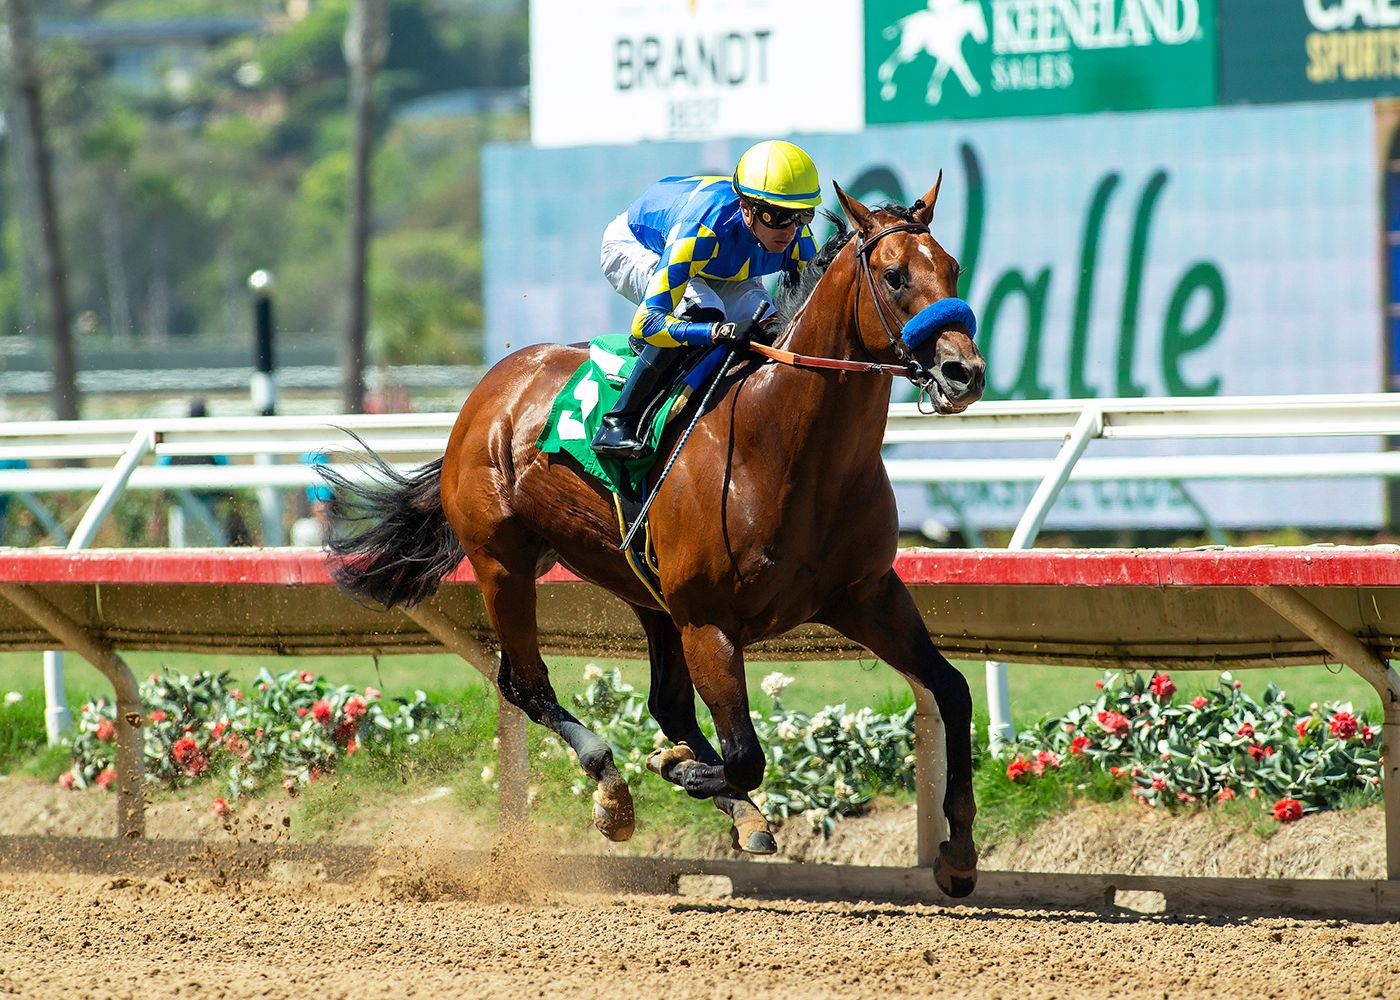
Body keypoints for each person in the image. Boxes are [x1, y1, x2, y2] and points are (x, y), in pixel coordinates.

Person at [590, 139, 823, 460]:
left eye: (801, 216)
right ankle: (620, 421)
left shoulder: (796, 239)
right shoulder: (700, 231)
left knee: (772, 325)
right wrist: (717, 333)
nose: (789, 231)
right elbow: (648, 323)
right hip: (638, 245)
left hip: (719, 261)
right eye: (776, 217)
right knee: (705, 312)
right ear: (746, 210)